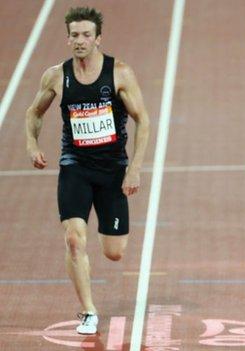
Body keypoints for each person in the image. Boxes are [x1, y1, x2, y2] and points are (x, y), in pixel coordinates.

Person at [25, 7, 150, 335]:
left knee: (114, 253)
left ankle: (103, 237)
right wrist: (31, 143)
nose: (80, 41)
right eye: (74, 35)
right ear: (68, 38)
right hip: (75, 167)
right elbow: (33, 112)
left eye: (86, 35)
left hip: (112, 171)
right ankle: (89, 311)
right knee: (74, 239)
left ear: (98, 39)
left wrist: (134, 169)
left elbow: (143, 121)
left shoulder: (119, 72)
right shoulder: (56, 76)